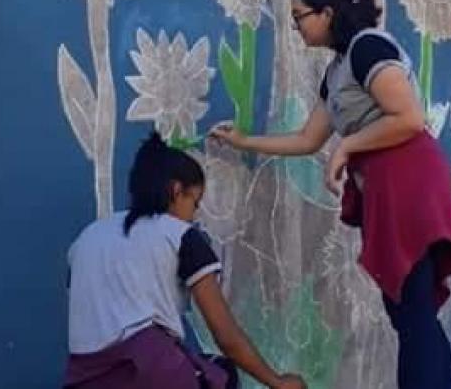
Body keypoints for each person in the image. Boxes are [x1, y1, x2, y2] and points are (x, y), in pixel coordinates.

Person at [210, 0, 451, 389]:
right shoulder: (336, 70)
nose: (295, 26)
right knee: (411, 311)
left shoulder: (367, 47)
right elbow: (307, 139)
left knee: (412, 309)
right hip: (383, 187)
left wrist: (348, 146)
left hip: (408, 179)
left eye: (299, 16)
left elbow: (409, 117)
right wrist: (244, 141)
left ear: (327, 12)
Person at [64, 132, 306, 389]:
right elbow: (226, 336)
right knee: (221, 372)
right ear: (176, 190)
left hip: (85, 378)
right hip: (151, 373)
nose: (194, 216)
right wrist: (276, 382)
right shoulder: (179, 235)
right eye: (195, 203)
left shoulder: (86, 239)